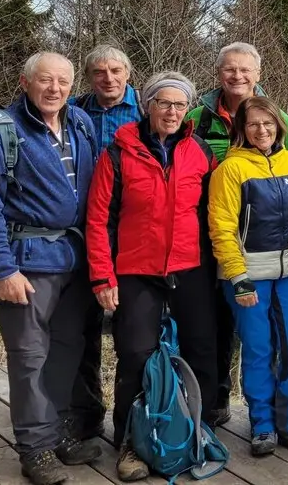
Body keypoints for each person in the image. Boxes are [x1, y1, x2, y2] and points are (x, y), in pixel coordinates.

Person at [84, 71, 219, 482]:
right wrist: (102, 276)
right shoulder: (119, 153)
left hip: (190, 266)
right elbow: (97, 219)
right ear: (148, 106)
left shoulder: (198, 151)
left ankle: (196, 431)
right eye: (164, 103)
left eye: (180, 105)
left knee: (202, 352)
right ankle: (131, 442)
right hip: (136, 269)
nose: (172, 111)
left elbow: (213, 215)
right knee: (136, 357)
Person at [0, 52, 102, 485]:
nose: (55, 89)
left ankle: (57, 435)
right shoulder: (2, 130)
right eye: (45, 80)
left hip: (75, 261)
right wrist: (2, 269)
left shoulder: (81, 124)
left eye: (64, 81)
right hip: (27, 264)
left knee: (66, 352)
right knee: (29, 358)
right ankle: (34, 449)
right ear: (24, 81)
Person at [186, 41, 288, 426]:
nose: (237, 77)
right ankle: (222, 405)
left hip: (280, 254)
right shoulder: (196, 119)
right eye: (229, 70)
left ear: (258, 74)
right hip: (219, 246)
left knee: (286, 344)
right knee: (220, 330)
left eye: (245, 70)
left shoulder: (282, 129)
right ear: (218, 73)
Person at [208, 96, 288, 457]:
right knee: (258, 348)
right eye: (253, 124)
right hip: (249, 274)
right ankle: (262, 424)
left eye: (268, 123)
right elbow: (221, 226)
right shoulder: (231, 169)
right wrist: (237, 275)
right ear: (241, 128)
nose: (262, 130)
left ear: (279, 125)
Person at [66, 44, 143, 443]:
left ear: (128, 74)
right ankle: (87, 413)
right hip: (84, 228)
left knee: (138, 330)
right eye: (99, 72)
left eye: (115, 70)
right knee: (82, 326)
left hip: (132, 230)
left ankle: (140, 416)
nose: (108, 78)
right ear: (89, 76)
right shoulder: (74, 112)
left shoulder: (147, 110)